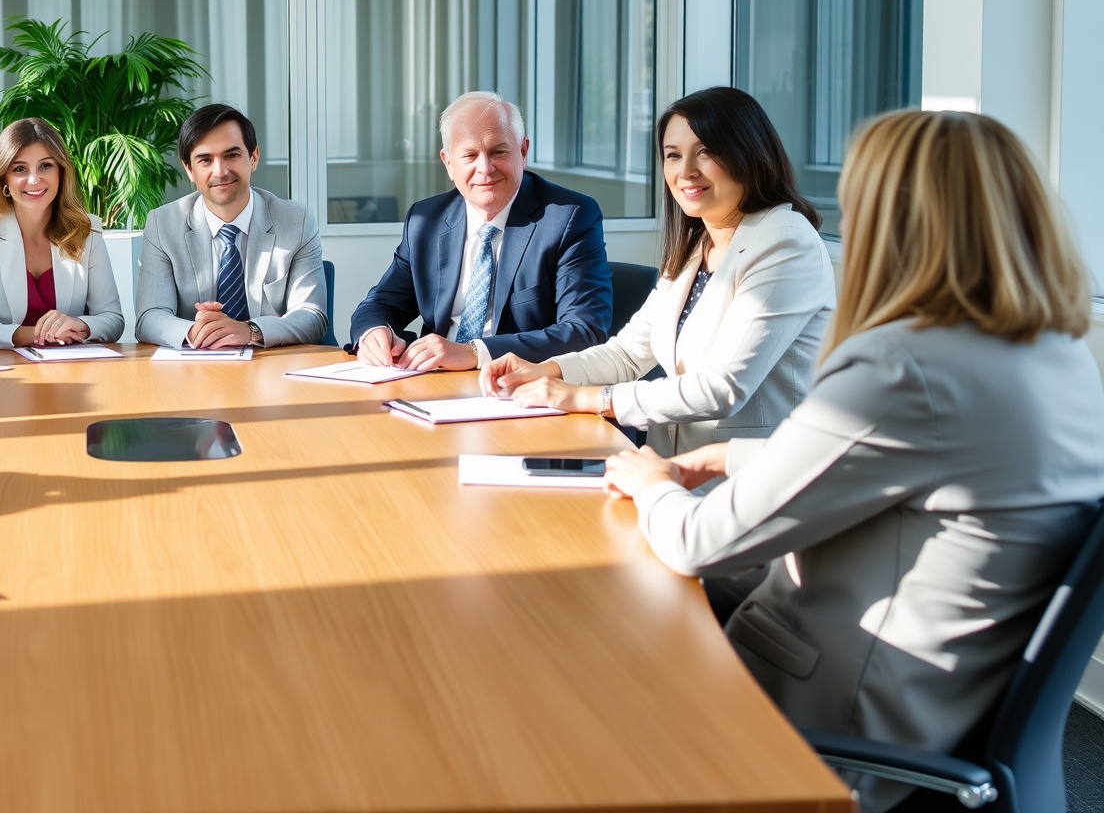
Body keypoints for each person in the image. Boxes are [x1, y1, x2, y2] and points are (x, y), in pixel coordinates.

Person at [603, 110, 1104, 813]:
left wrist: (649, 479)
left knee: (589, 664)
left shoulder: (904, 364)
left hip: (836, 728)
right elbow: (916, 462)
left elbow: (696, 542)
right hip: (942, 709)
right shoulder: (1057, 354)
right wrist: (733, 454)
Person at [481, 86, 833, 455]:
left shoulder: (785, 242)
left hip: (752, 483)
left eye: (706, 152)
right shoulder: (698, 247)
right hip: (672, 470)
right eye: (673, 156)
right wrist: (547, 370)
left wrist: (583, 398)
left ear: (749, 153)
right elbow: (628, 354)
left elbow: (721, 389)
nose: (686, 172)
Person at [349, 92, 611, 373]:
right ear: (448, 162)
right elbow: (380, 304)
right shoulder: (427, 220)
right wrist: (374, 332)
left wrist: (474, 353)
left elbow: (585, 330)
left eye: (498, 152)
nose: (485, 168)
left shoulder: (568, 217)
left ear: (523, 152)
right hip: (433, 383)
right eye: (470, 155)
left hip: (519, 388)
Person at [134, 104, 327, 348]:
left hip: (273, 368)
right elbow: (149, 317)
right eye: (205, 160)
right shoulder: (163, 225)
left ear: (253, 158)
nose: (221, 171)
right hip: (195, 369)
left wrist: (249, 330)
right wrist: (198, 331)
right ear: (189, 170)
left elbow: (312, 316)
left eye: (232, 155)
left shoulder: (296, 221)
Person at [0, 117, 125, 349]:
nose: (34, 179)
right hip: (2, 375)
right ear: (4, 178)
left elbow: (113, 320)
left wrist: (79, 325)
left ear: (61, 173)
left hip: (69, 372)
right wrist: (39, 335)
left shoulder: (85, 231)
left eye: (45, 165)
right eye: (20, 169)